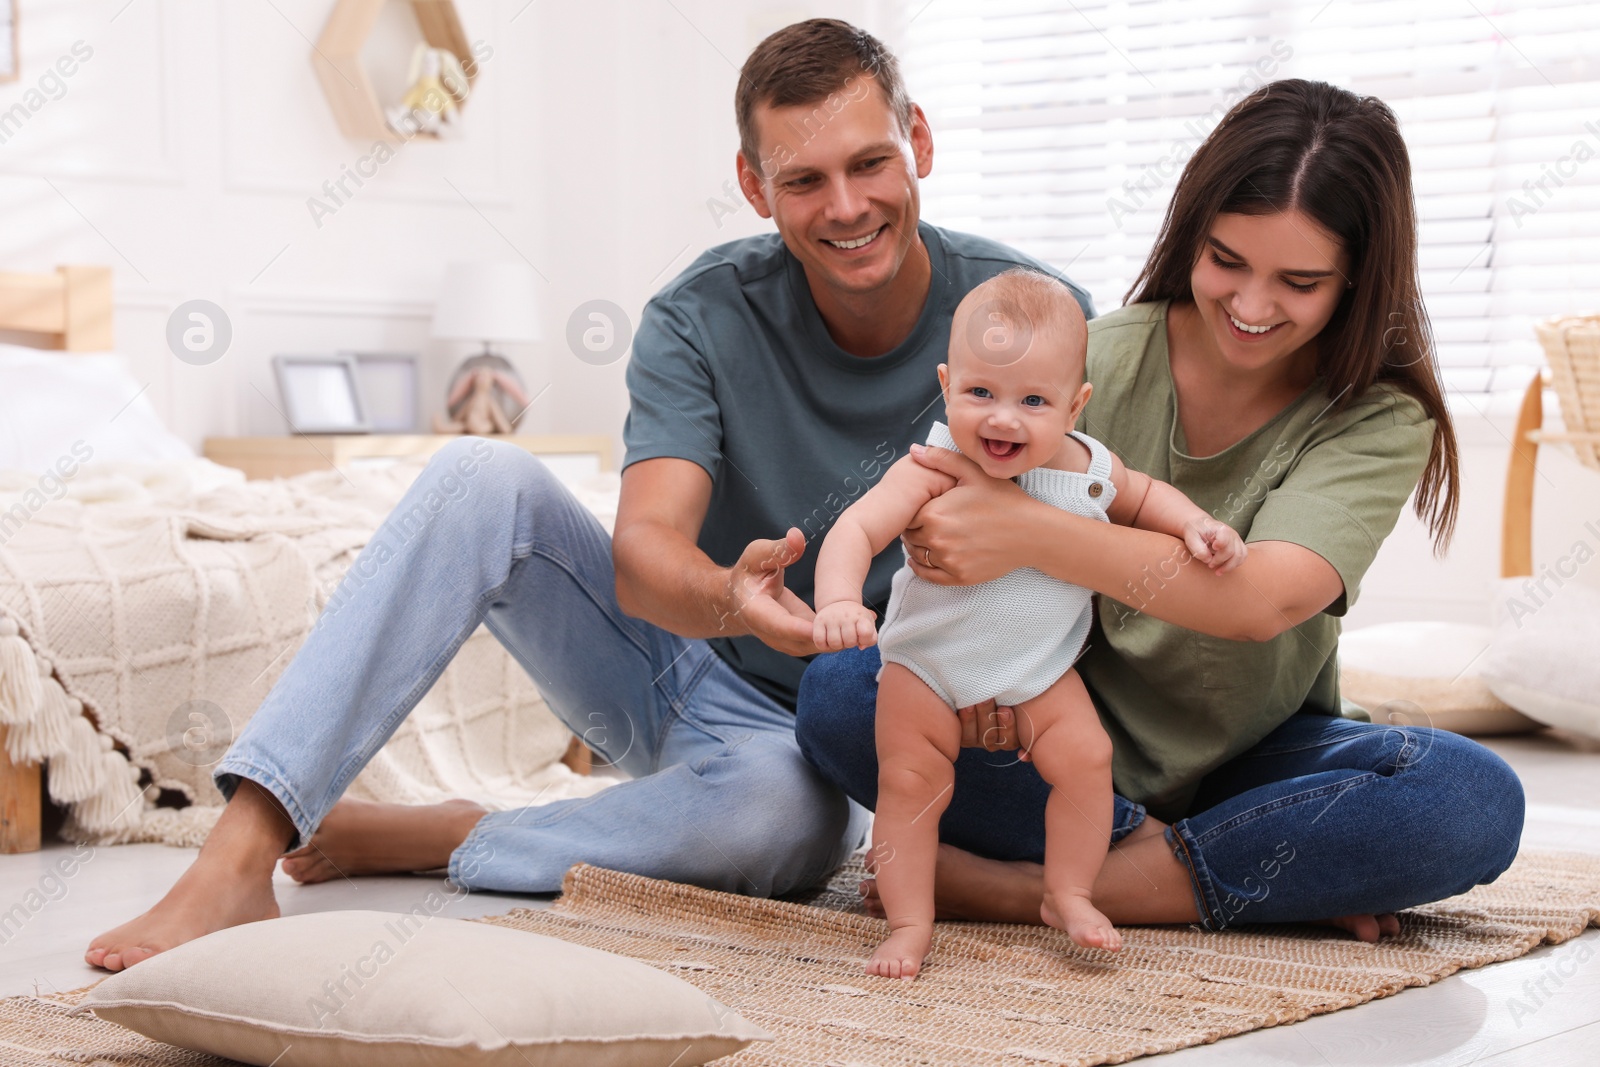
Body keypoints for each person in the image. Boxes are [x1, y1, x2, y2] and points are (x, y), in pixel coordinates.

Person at [84, 19, 1095, 972]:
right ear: (753, 186)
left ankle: (452, 831)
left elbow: (1094, 545)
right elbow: (646, 549)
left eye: (870, 162)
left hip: (854, 733)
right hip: (696, 668)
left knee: (780, 827)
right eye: (804, 178)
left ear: (917, 139)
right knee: (478, 474)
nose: (844, 205)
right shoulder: (700, 314)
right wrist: (726, 598)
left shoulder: (1033, 322)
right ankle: (237, 855)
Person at [795, 78, 1526, 942]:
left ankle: (1009, 889)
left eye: (1298, 281)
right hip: (1055, 738)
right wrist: (980, 676)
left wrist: (1035, 532)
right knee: (846, 693)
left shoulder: (1377, 415)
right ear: (1191, 236)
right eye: (1227, 261)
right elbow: (935, 518)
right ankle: (1244, 875)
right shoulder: (1085, 361)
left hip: (1256, 760)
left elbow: (1260, 600)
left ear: (1357, 280)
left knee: (1466, 798)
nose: (1251, 307)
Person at [812, 269, 1246, 977]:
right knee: (910, 785)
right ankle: (908, 922)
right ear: (948, 383)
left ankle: (1068, 891)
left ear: (1075, 405)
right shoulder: (934, 465)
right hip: (925, 669)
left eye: (1033, 400)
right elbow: (856, 528)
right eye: (980, 392)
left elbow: (1146, 497)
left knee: (1087, 760)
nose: (1003, 419)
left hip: (1037, 675)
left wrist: (1199, 526)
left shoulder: (1087, 468)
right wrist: (836, 600)